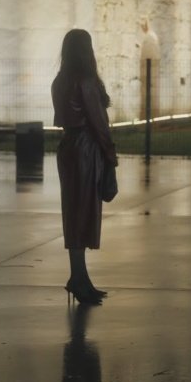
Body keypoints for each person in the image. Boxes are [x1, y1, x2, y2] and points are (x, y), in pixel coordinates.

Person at [52, 29, 118, 304]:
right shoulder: (85, 80)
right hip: (86, 149)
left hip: (69, 147)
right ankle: (79, 279)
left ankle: (80, 277)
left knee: (74, 212)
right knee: (83, 213)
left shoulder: (60, 80)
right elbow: (99, 123)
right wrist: (110, 157)